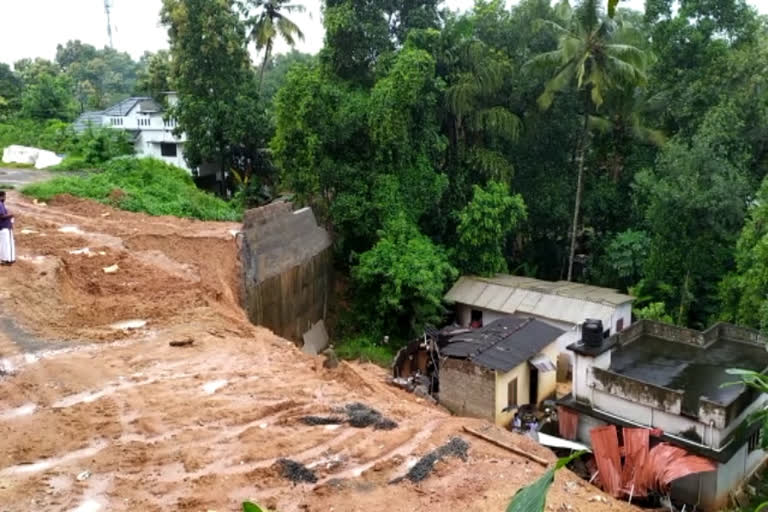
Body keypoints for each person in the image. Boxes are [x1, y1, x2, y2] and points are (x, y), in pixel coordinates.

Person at [0, 190, 15, 265]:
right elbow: (1, 216)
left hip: (2, 227)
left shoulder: (1, 204)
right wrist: (11, 215)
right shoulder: (0, 204)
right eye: (4, 196)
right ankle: (9, 260)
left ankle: (5, 259)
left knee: (4, 244)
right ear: (2, 196)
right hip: (5, 226)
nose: (5, 198)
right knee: (8, 244)